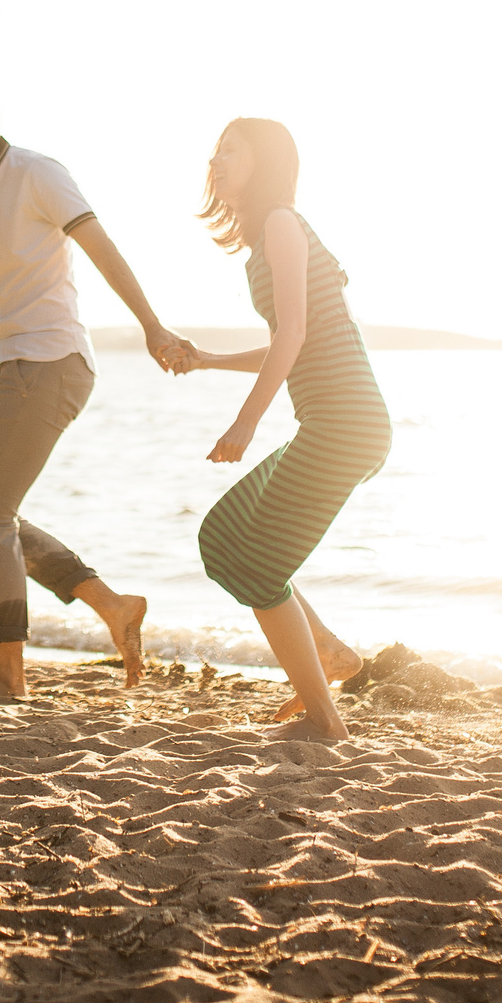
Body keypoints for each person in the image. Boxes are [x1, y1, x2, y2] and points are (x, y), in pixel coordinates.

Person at [0, 66, 182, 699]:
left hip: (53, 361)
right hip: (18, 362)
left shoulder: (37, 172)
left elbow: (101, 248)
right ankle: (113, 606)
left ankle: (8, 677)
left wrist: (152, 326)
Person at [169, 118, 391, 742]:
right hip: (334, 421)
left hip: (348, 422)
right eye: (213, 151)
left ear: (263, 161)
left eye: (230, 150)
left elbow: (292, 337)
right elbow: (285, 341)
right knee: (226, 537)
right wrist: (209, 359)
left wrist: (245, 423)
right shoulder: (263, 242)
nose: (216, 161)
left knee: (260, 568)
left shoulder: (281, 224)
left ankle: (325, 723)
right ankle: (328, 654)